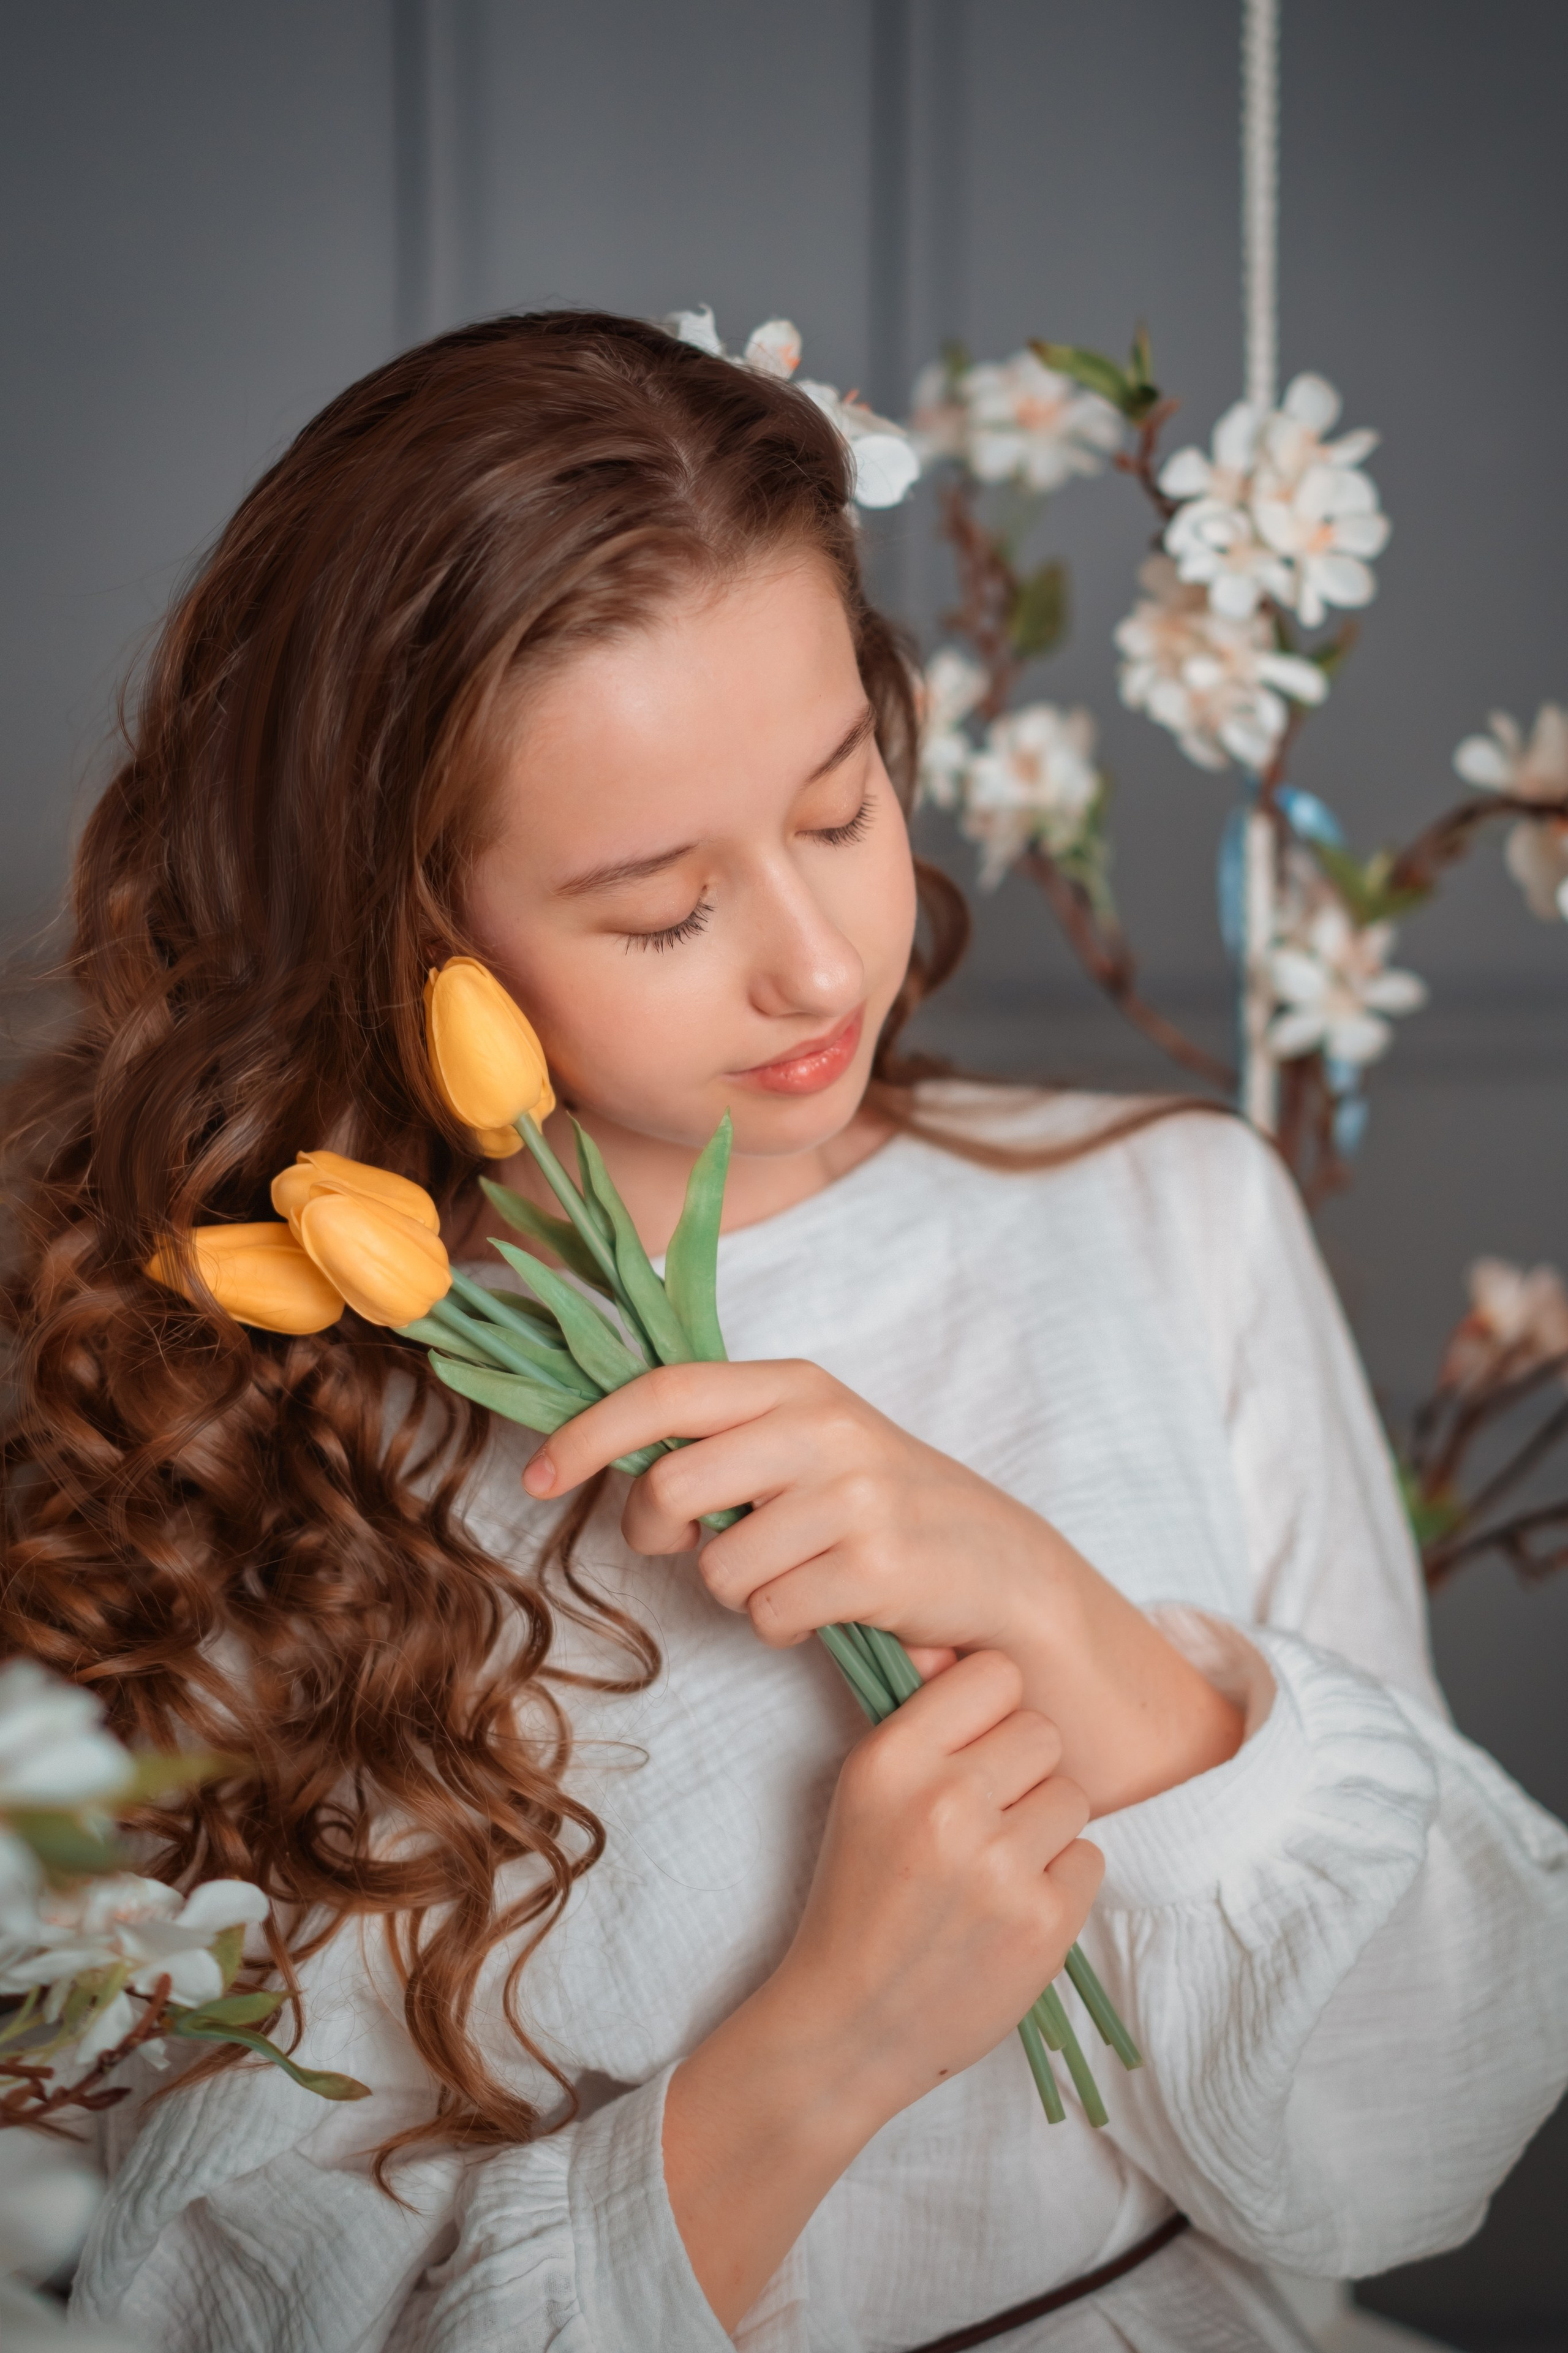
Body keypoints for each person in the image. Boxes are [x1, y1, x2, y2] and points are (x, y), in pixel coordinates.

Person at [4, 311, 1564, 2353]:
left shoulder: (1166, 1214)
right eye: (662, 908)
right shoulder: (248, 1430)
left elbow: (1435, 2123)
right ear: (410, 929)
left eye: (842, 806)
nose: (821, 959)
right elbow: (202, 2305)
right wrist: (824, 2048)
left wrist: (1067, 1621)